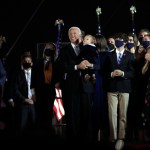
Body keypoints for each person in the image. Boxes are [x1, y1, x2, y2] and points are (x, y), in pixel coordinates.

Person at [57, 26, 98, 143]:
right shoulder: (64, 50)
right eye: (70, 34)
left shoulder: (87, 47)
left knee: (86, 114)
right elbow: (62, 67)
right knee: (72, 115)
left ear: (80, 35)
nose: (73, 36)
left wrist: (92, 72)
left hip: (86, 86)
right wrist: (76, 67)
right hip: (71, 88)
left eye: (75, 33)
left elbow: (95, 63)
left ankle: (86, 138)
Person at [104, 32, 134, 150]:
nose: (118, 41)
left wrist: (123, 74)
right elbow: (103, 72)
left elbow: (133, 72)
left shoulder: (130, 55)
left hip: (125, 87)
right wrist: (111, 74)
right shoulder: (109, 55)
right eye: (116, 39)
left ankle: (121, 137)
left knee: (123, 114)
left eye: (120, 39)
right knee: (112, 114)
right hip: (111, 87)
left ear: (125, 42)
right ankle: (113, 137)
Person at [33, 42, 58, 137]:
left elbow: (58, 76)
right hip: (39, 91)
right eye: (47, 48)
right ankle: (39, 133)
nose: (49, 50)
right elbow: (33, 77)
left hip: (50, 92)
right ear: (44, 50)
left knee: (48, 112)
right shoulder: (38, 61)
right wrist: (33, 92)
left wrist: (58, 82)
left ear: (54, 51)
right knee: (39, 112)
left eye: (51, 49)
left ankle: (47, 133)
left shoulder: (56, 63)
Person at [13, 51, 36, 137]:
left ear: (32, 63)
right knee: (22, 128)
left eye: (28, 61)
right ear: (22, 63)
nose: (27, 63)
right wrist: (25, 99)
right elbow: (15, 90)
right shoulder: (18, 74)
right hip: (23, 104)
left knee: (34, 127)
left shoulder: (35, 74)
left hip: (34, 104)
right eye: (25, 62)